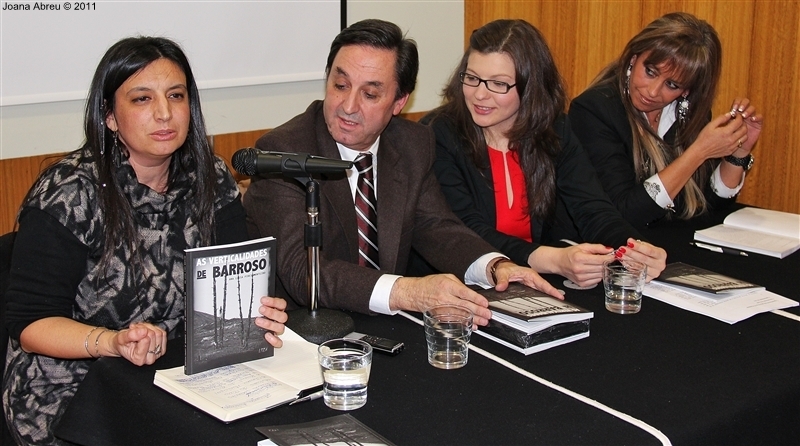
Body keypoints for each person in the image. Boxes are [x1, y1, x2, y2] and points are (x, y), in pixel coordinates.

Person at [3, 37, 288, 445]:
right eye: (142, 98)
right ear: (109, 116)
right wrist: (113, 343)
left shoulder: (211, 178)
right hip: (73, 390)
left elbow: (227, 284)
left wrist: (254, 313)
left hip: (179, 376)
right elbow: (31, 324)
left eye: (176, 95)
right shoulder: (69, 192)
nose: (164, 112)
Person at [243, 19, 562, 327]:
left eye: (370, 94)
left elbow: (437, 228)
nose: (348, 106)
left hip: (384, 327)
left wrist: (494, 266)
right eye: (340, 85)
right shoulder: (283, 152)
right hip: (304, 329)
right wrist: (407, 292)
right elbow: (302, 271)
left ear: (399, 102)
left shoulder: (413, 143)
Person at [418, 19, 666, 287]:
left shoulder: (555, 129)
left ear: (531, 86)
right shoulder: (438, 133)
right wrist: (554, 260)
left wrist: (636, 249)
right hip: (461, 282)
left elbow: (592, 208)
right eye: (472, 78)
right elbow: (465, 231)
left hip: (530, 280)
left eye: (498, 84)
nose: (479, 94)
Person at [568, 12, 763, 228]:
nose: (652, 92)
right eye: (650, 72)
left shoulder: (687, 112)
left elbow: (708, 203)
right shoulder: (594, 110)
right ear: (634, 58)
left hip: (664, 240)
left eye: (672, 85)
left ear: (687, 91)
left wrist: (739, 152)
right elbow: (624, 213)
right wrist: (698, 152)